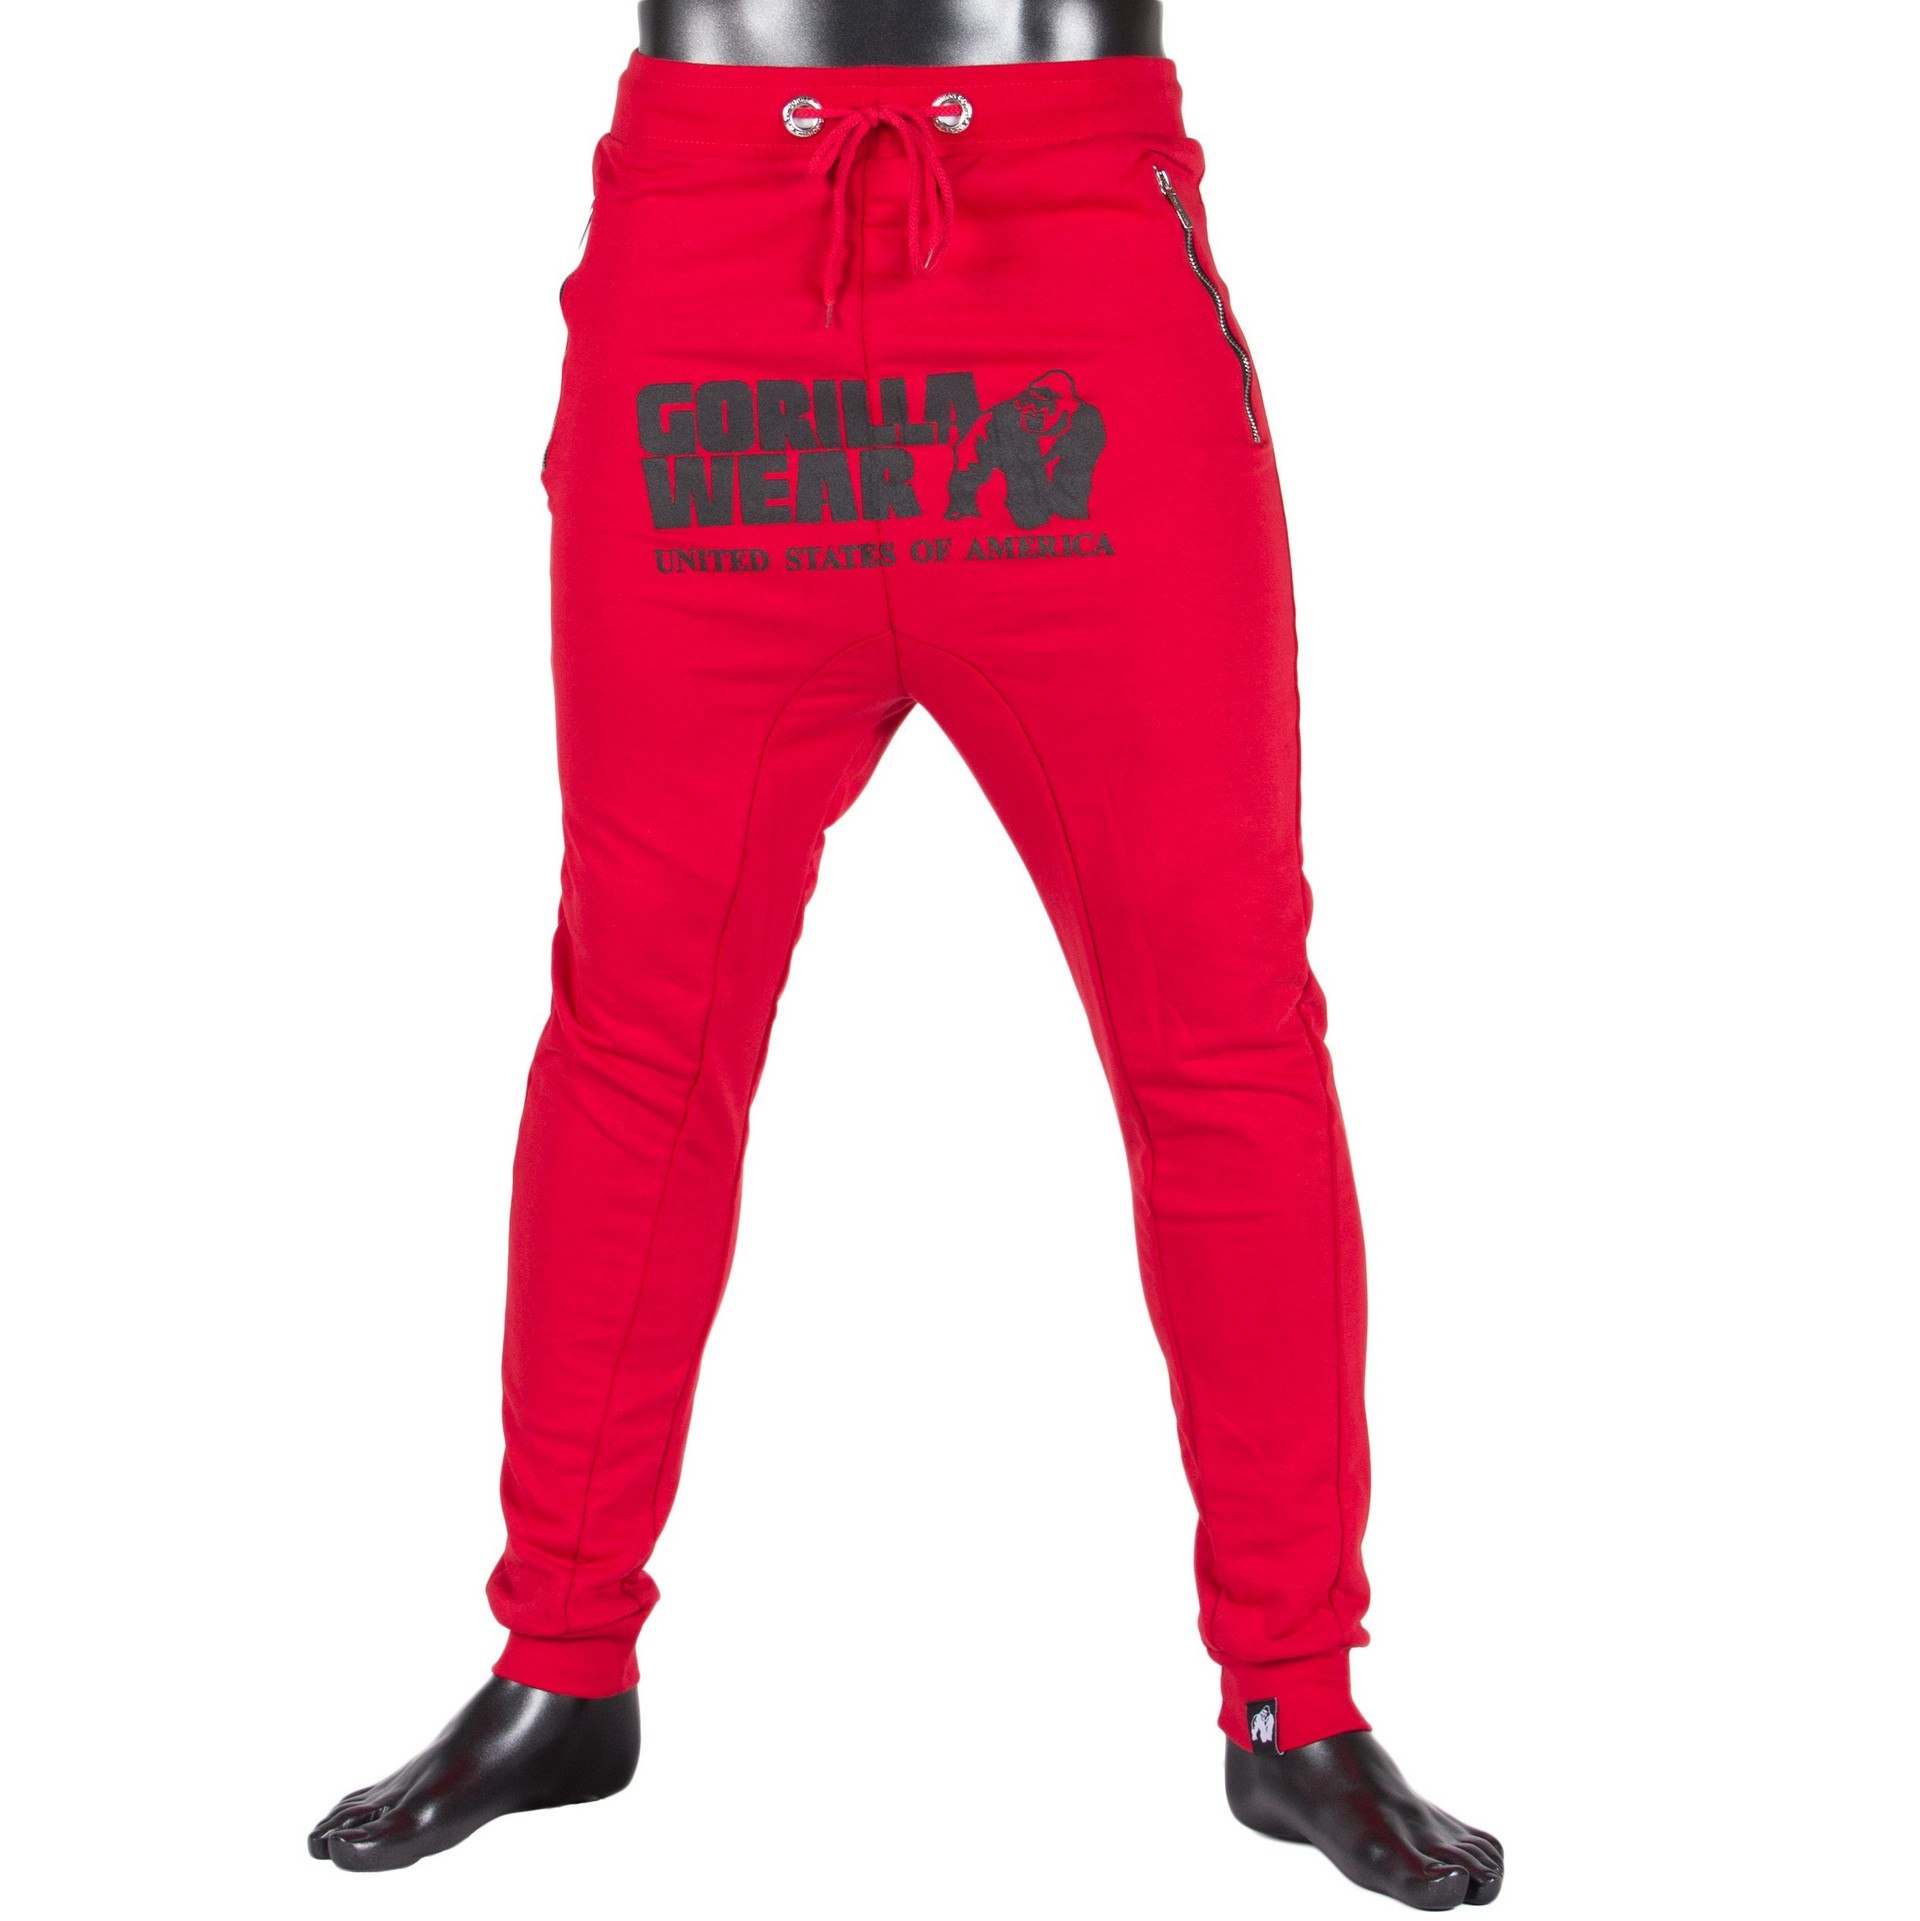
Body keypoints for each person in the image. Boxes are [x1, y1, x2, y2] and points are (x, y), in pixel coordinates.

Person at [309, 3, 1503, 1905]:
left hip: (1068, 257)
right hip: (714, 261)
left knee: (1222, 1030)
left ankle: (1297, 1696)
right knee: (637, 1024)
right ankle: (559, 1662)